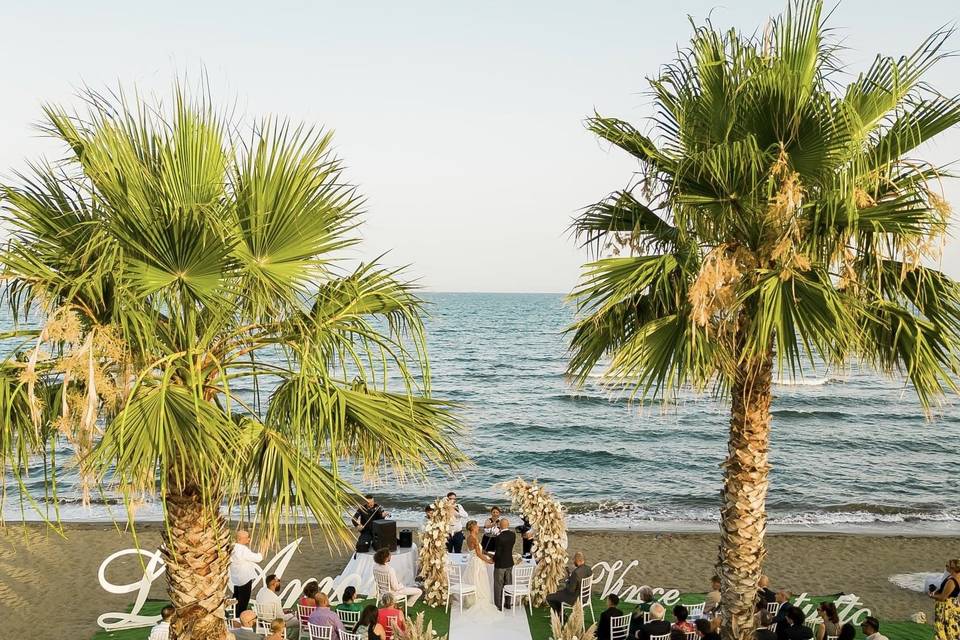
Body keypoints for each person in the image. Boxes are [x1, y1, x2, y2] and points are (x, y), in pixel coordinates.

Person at [461, 520, 497, 615]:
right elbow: (479, 554)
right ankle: (477, 599)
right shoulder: (474, 539)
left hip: (473, 561)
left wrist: (489, 554)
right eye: (477, 526)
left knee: (474, 580)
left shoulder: (470, 537)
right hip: (477, 563)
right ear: (473, 528)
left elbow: (480, 551)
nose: (478, 528)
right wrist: (488, 561)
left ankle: (471, 600)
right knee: (479, 581)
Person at [229, 530, 263, 614]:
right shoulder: (242, 549)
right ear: (241, 539)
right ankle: (239, 620)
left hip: (236, 579)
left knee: (236, 600)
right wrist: (262, 552)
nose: (249, 539)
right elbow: (257, 559)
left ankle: (234, 617)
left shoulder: (232, 547)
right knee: (243, 602)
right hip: (244, 579)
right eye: (248, 537)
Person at [929, 558, 960, 640]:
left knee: (944, 628)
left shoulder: (952, 581)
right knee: (953, 627)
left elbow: (943, 597)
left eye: (947, 566)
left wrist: (931, 595)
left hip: (946, 607)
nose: (946, 567)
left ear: (953, 569)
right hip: (954, 604)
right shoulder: (955, 576)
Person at [493, 517, 517, 610]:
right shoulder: (513, 535)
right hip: (509, 562)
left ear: (500, 526)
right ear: (508, 525)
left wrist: (493, 559)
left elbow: (498, 553)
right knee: (508, 583)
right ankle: (508, 603)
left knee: (498, 585)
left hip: (500, 564)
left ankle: (498, 606)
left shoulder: (499, 537)